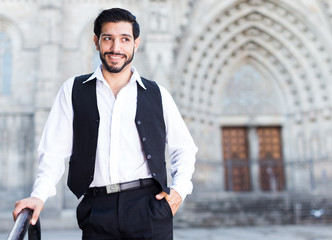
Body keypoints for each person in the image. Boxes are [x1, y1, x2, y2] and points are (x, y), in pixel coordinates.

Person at [13, 8, 197, 240]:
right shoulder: (73, 90)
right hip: (97, 209)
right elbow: (53, 152)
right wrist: (38, 196)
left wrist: (179, 190)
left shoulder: (158, 93)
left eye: (124, 39)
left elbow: (185, 148)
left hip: (148, 208)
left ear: (135, 44)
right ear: (96, 42)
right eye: (108, 38)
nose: (115, 48)